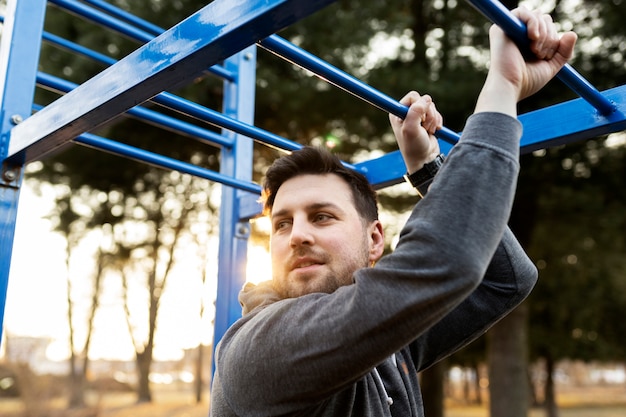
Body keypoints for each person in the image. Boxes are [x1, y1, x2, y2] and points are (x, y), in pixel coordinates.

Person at [210, 7, 577, 417]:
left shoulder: (381, 344)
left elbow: (504, 280)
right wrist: (502, 87)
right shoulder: (259, 350)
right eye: (282, 223)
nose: (296, 234)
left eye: (322, 216)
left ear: (374, 241)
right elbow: (446, 260)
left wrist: (428, 169)